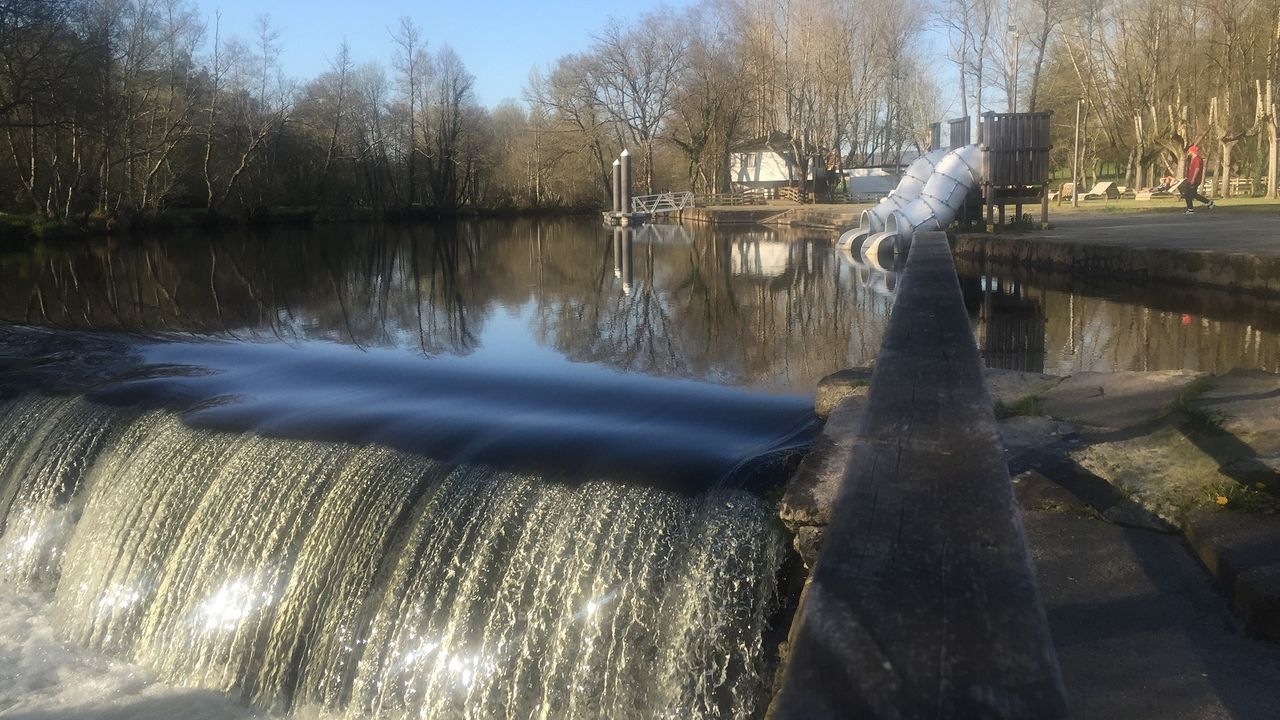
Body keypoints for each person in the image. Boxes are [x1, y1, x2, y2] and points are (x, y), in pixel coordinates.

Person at [1182, 145, 1215, 214]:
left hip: (1194, 179)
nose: (1189, 152)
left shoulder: (1198, 159)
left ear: (1192, 151)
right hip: (1190, 179)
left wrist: (1193, 179)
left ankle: (1190, 209)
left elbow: (1197, 169)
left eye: (1189, 151)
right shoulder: (1192, 159)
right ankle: (1208, 202)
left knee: (1188, 194)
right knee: (1192, 194)